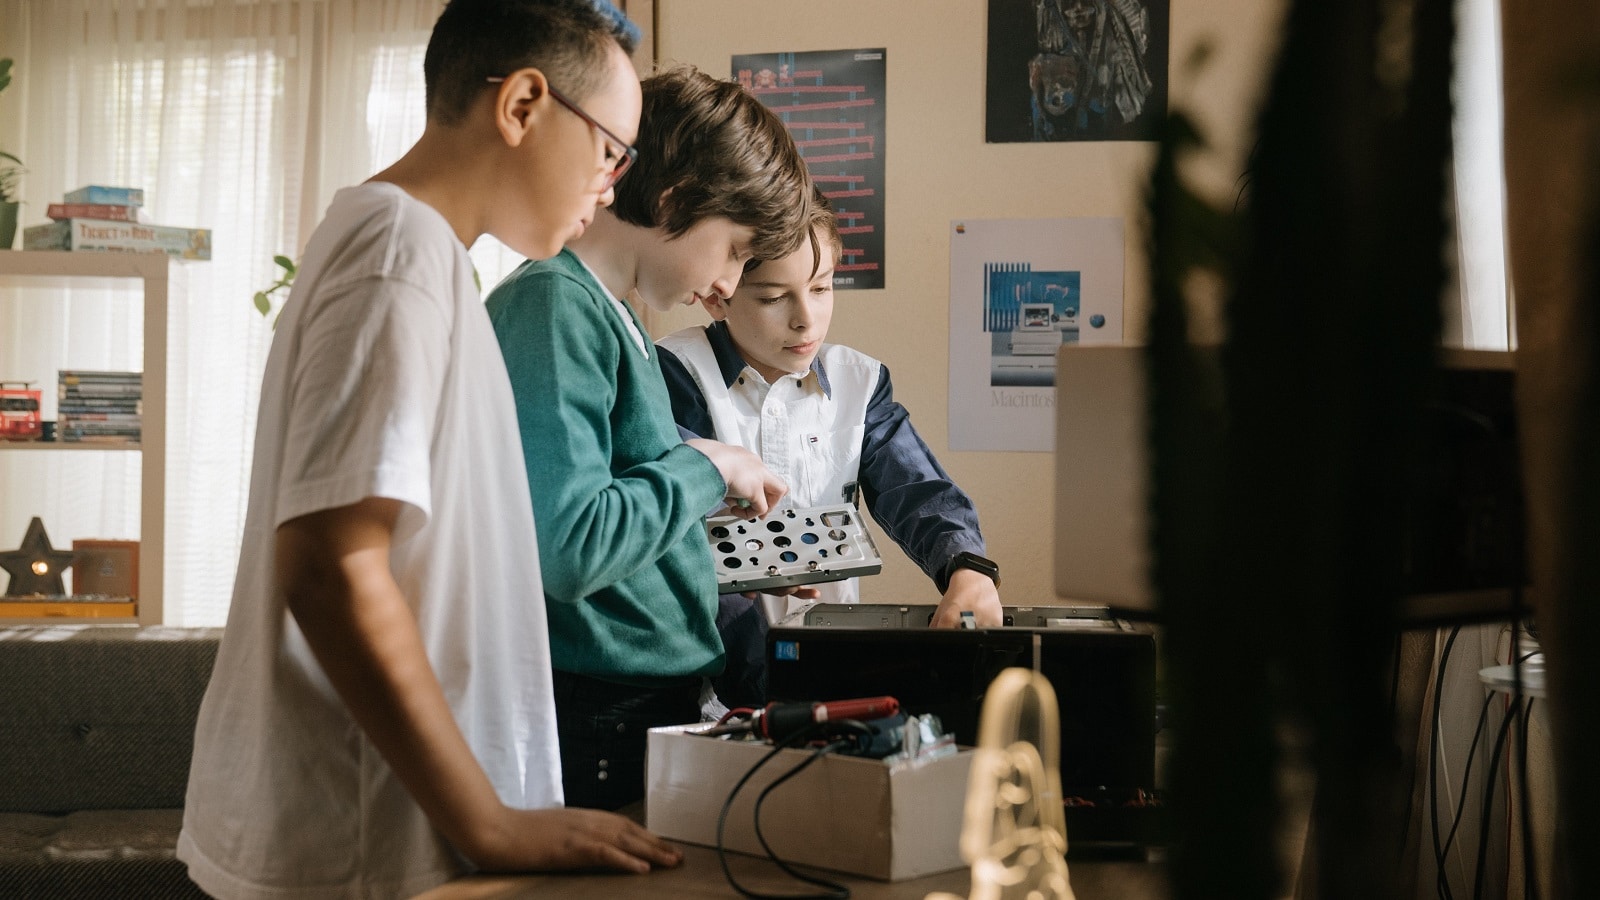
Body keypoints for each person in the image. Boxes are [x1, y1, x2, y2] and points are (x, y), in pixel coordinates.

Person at [177, 2, 684, 897]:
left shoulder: (411, 249)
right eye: (612, 151)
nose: (611, 188)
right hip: (364, 847)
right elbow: (333, 565)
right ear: (523, 105)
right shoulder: (397, 250)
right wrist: (488, 823)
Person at [484, 65, 811, 811]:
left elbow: (613, 491)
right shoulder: (553, 307)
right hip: (598, 711)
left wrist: (700, 497)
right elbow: (571, 546)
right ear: (673, 201)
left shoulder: (615, 316)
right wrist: (707, 467)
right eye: (733, 250)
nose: (729, 285)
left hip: (641, 700)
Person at [657, 188, 1005, 642]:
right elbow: (668, 521)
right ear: (717, 297)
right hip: (712, 670)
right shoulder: (674, 375)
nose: (806, 319)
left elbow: (917, 489)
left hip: (825, 657)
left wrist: (967, 568)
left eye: (821, 288)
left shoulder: (860, 382)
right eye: (773, 298)